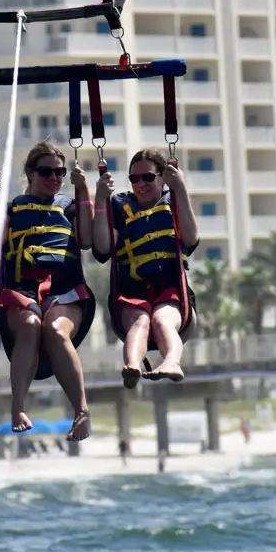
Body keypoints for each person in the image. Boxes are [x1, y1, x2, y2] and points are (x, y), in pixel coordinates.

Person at [0, 142, 95, 441]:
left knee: (56, 331)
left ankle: (81, 409)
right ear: (30, 173)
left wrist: (85, 192)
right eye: (46, 171)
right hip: (21, 290)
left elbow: (87, 239)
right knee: (31, 324)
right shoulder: (13, 209)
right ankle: (18, 405)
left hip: (64, 290)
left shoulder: (69, 206)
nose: (54, 177)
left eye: (60, 172)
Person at [92, 148, 198, 386]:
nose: (141, 184)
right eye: (134, 179)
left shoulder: (174, 201)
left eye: (148, 177)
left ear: (162, 178)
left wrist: (180, 188)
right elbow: (102, 248)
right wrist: (99, 199)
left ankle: (172, 362)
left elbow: (190, 240)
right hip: (132, 289)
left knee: (161, 319)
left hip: (170, 287)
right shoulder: (119, 206)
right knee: (139, 321)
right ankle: (132, 365)